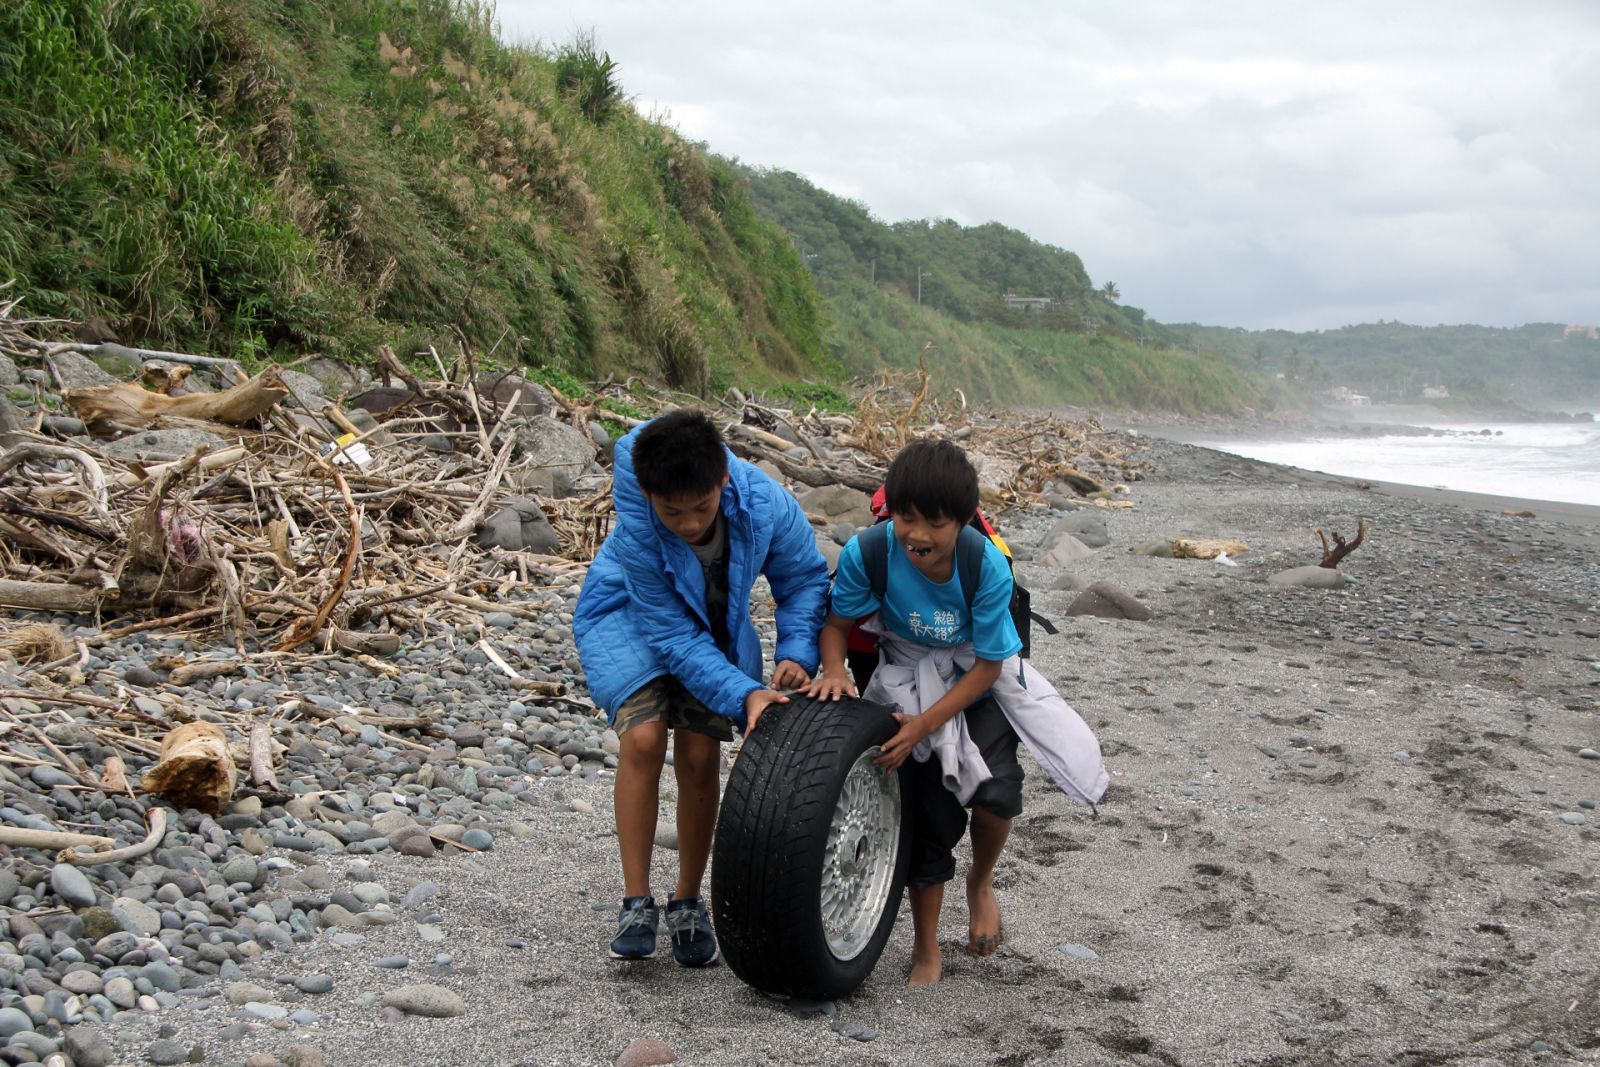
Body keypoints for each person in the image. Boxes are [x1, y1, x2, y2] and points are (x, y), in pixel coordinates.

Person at [804, 438, 1107, 987]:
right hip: (904, 670)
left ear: (964, 521)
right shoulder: (869, 551)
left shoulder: (982, 563)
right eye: (907, 519)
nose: (918, 536)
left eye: (935, 523)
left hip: (976, 677)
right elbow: (836, 628)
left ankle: (981, 881)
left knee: (996, 793)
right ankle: (926, 946)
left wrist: (926, 724)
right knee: (928, 813)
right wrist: (833, 673)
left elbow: (992, 666)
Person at [575, 409, 830, 967]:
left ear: (723, 482)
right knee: (642, 740)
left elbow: (805, 579)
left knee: (698, 754)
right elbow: (668, 634)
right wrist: (744, 692)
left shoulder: (764, 503)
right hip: (627, 616)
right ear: (648, 494)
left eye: (701, 508)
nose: (689, 524)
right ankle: (636, 901)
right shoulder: (641, 522)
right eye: (673, 511)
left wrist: (795, 654)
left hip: (714, 625)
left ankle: (688, 902)